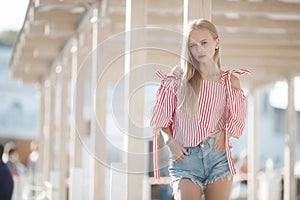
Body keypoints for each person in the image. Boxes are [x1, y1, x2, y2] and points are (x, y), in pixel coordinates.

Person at [150, 19, 249, 200]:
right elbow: (162, 117)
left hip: (218, 157)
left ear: (216, 43)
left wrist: (225, 134)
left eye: (204, 43)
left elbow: (237, 119)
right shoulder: (179, 77)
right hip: (185, 157)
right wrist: (170, 142)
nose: (199, 50)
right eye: (193, 45)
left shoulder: (229, 81)